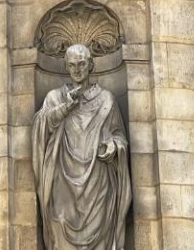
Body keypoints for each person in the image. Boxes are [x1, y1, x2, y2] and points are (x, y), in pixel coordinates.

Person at [32, 44, 131, 250]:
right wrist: (64, 109)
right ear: (66, 67)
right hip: (62, 181)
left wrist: (113, 146)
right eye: (72, 65)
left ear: (91, 65)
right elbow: (40, 129)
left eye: (82, 64)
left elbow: (119, 135)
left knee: (101, 236)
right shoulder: (55, 98)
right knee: (59, 227)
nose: (77, 69)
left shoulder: (106, 99)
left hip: (98, 182)